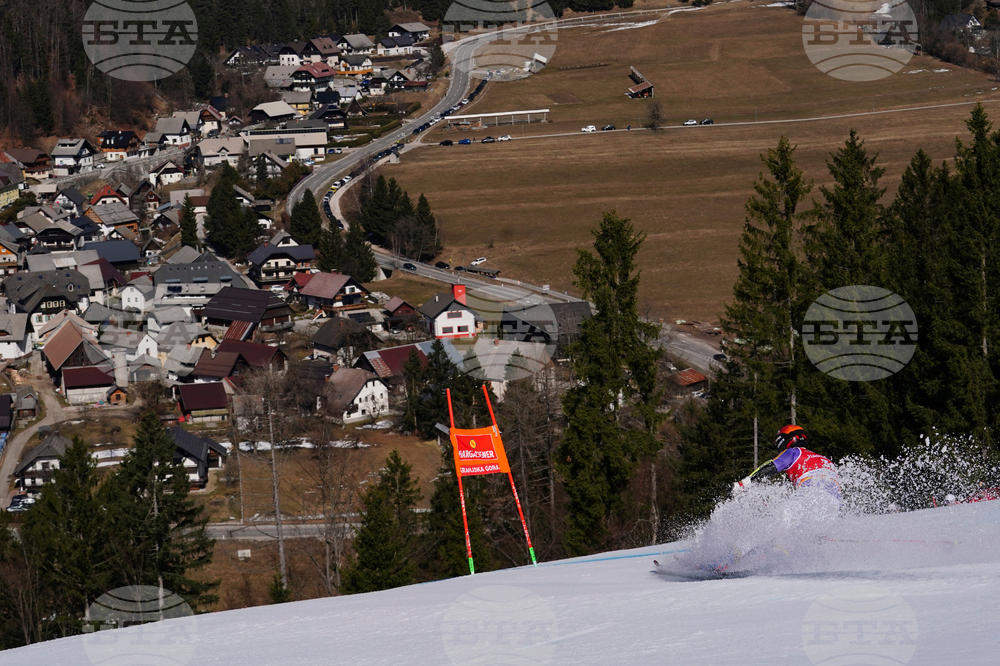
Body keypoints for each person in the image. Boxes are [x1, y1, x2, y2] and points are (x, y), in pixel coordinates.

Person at [733, 425, 841, 503]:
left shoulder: (793, 452)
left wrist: (742, 485)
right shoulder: (825, 460)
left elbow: (770, 467)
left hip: (810, 494)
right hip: (834, 501)